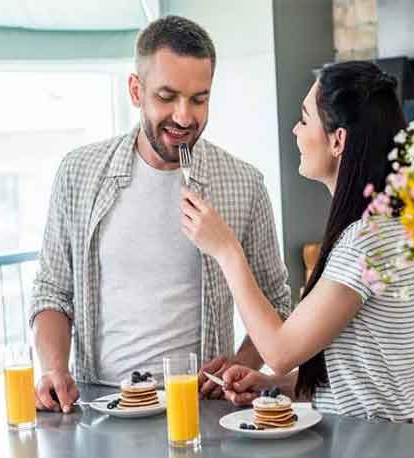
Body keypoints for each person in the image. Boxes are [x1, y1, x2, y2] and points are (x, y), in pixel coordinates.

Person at [30, 15, 291, 413]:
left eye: (199, 99)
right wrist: (52, 369)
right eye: (167, 97)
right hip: (100, 405)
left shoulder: (244, 183)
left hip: (201, 410)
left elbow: (276, 302)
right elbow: (53, 290)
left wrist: (239, 368)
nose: (185, 117)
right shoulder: (78, 172)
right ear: (136, 90)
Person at [181, 61, 414, 422]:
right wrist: (269, 385)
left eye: (304, 118)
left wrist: (226, 250)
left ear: (338, 139)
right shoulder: (385, 227)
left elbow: (279, 351)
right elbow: (354, 380)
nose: (295, 130)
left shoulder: (366, 240)